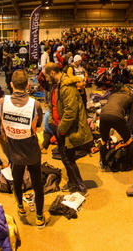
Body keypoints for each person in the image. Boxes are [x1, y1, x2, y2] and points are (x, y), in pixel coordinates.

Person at [0, 69, 50, 229]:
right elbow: (38, 126)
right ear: (28, 85)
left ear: (11, 85)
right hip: (31, 150)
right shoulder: (35, 105)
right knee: (37, 184)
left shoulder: (1, 102)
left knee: (17, 179)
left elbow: (2, 123)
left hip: (13, 150)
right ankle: (40, 218)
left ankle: (20, 207)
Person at [44, 62, 93, 196]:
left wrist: (61, 130)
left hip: (65, 129)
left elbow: (71, 112)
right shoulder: (56, 85)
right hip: (59, 127)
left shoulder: (67, 87)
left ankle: (81, 186)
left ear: (52, 73)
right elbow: (53, 106)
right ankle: (72, 183)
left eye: (47, 76)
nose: (46, 79)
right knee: (66, 158)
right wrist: (51, 122)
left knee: (68, 159)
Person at [98, 92, 133, 168]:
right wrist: (128, 131)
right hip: (117, 116)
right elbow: (132, 116)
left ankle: (103, 163)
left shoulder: (113, 94)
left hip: (103, 115)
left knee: (103, 141)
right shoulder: (130, 99)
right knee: (128, 140)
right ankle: (132, 163)